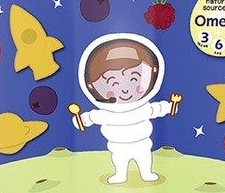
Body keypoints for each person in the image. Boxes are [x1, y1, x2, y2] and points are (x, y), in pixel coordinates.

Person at [74, 33, 175, 184]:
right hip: (117, 146)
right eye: (113, 83)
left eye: (134, 79)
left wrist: (171, 105)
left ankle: (146, 173)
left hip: (142, 143)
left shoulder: (143, 109)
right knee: (119, 160)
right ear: (92, 86)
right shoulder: (106, 114)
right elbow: (88, 119)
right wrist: (79, 118)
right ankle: (120, 175)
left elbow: (158, 109)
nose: (125, 89)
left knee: (144, 158)